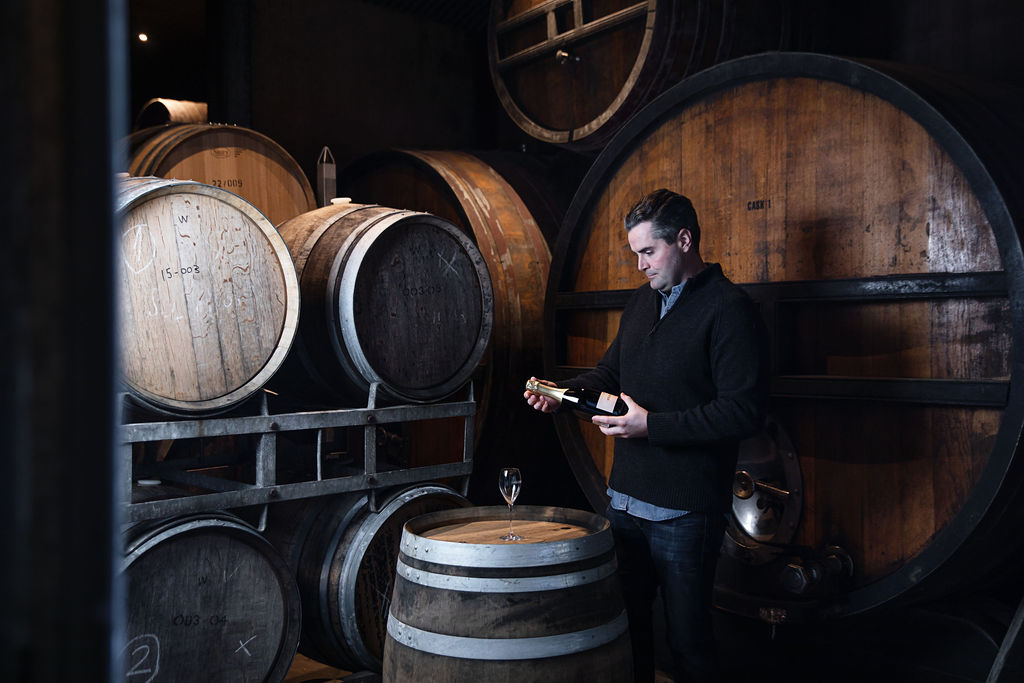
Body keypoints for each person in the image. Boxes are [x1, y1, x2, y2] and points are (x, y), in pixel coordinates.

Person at [525, 188, 767, 682]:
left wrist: (650, 426)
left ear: (683, 240)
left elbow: (742, 413)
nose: (639, 265)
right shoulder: (642, 301)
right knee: (626, 633)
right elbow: (609, 375)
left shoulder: (729, 309)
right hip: (625, 503)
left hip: (685, 510)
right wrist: (565, 394)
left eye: (647, 252)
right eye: (635, 253)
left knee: (688, 646)